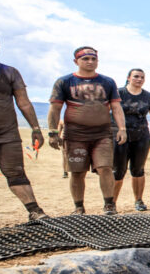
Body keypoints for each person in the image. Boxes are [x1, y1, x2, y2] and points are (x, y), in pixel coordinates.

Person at [0, 32, 47, 224]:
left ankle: (35, 211)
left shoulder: (9, 72)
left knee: (15, 171)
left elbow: (24, 103)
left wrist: (36, 128)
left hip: (5, 131)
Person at [47, 46, 126, 215]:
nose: (90, 62)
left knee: (105, 168)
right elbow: (55, 109)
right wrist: (53, 132)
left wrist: (122, 129)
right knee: (77, 171)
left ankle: (109, 204)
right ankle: (78, 207)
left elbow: (116, 107)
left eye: (93, 59)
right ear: (76, 61)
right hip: (75, 135)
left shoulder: (107, 82)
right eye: (85, 59)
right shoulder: (65, 82)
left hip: (102, 134)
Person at [112, 68, 150, 211]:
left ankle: (139, 201)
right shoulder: (118, 93)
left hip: (141, 136)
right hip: (120, 136)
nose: (139, 79)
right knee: (118, 171)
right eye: (136, 76)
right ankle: (111, 203)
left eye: (142, 77)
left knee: (138, 169)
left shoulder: (149, 97)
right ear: (128, 78)